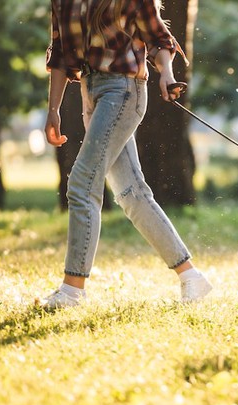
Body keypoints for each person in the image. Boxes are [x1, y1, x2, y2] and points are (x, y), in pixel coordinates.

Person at [39, 0, 211, 310]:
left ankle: (72, 290)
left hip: (124, 91)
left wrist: (166, 75)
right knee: (132, 194)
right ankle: (192, 278)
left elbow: (159, 38)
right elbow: (61, 53)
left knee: (82, 184)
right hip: (91, 92)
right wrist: (53, 110)